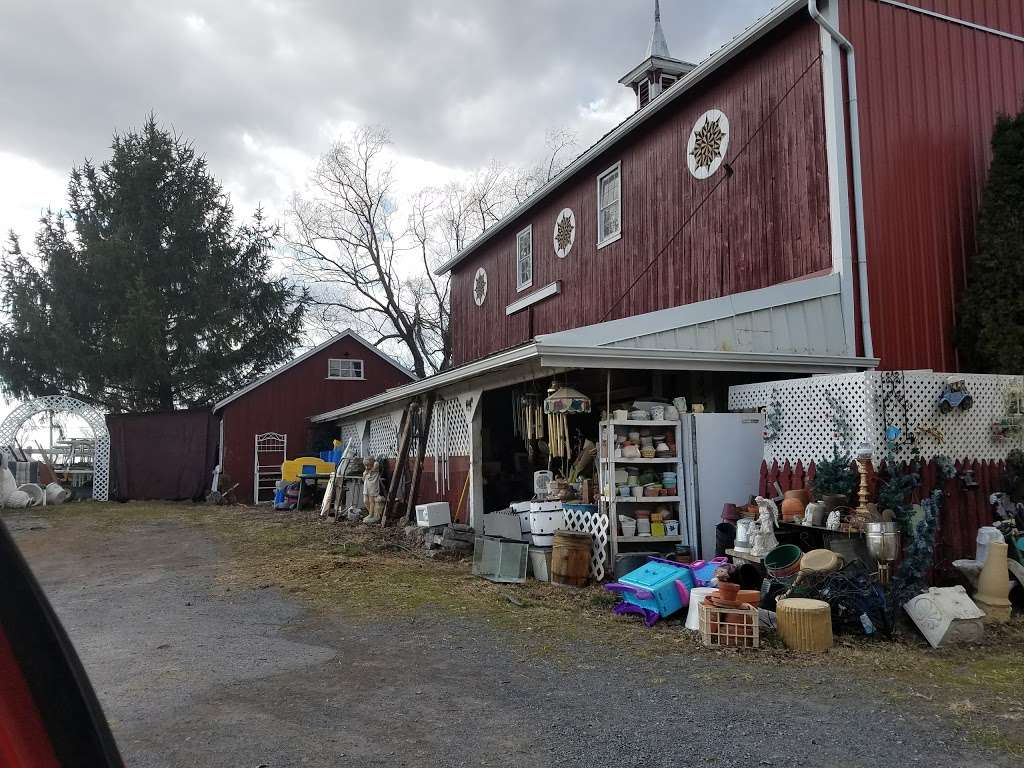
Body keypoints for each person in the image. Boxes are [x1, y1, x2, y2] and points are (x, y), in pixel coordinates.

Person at [362, 457, 381, 524]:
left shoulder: (375, 467)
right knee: (365, 501)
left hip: (373, 486)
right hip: (366, 486)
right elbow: (363, 479)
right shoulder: (366, 470)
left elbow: (376, 464)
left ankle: (371, 515)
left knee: (371, 501)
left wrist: (370, 467)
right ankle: (372, 514)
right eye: (365, 465)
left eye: (368, 465)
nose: (366, 467)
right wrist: (365, 473)